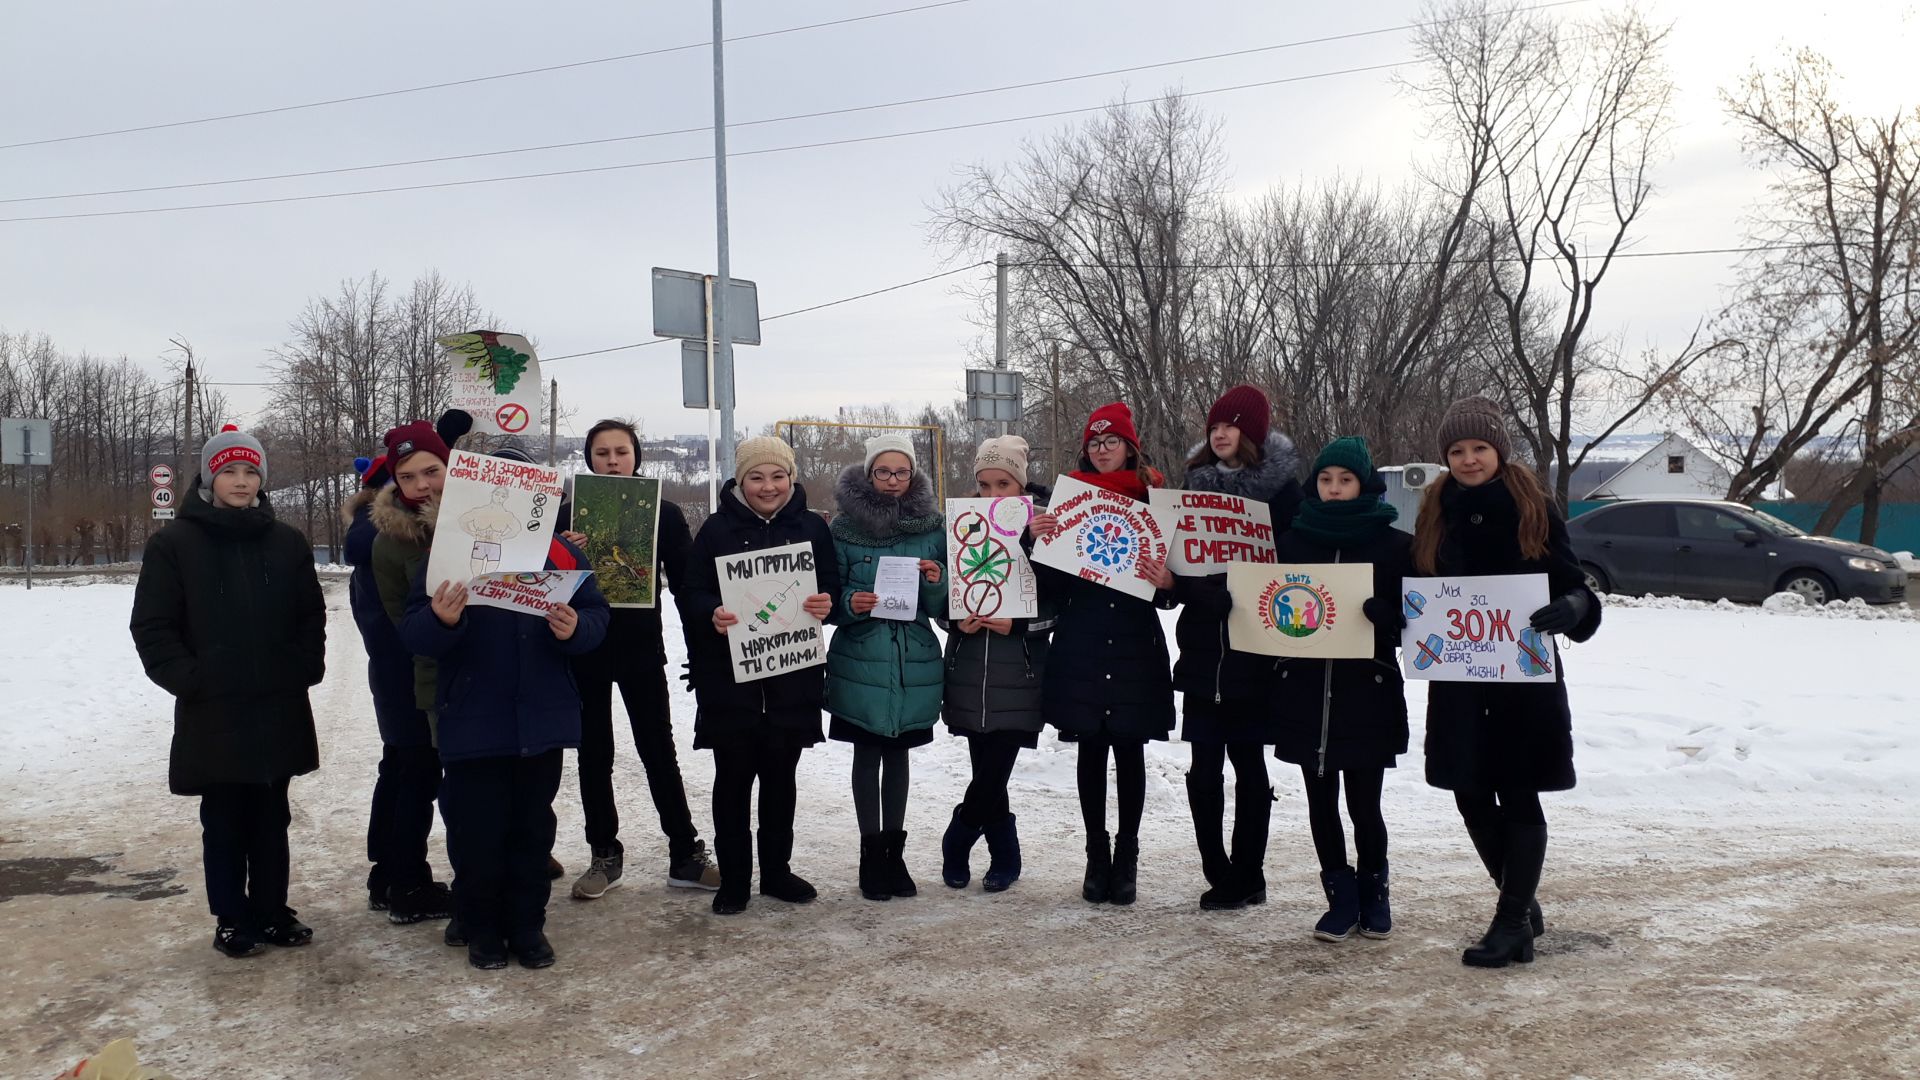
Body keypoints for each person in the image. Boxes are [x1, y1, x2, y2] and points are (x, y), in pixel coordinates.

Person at [401, 446, 610, 970]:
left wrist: (575, 630)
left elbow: (596, 614)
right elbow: (414, 633)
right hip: (473, 719)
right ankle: (482, 928)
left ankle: (528, 927)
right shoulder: (446, 553)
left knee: (531, 830)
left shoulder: (562, 554)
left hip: (541, 719)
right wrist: (443, 621)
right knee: (476, 832)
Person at [1414, 396, 1602, 968]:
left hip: (1524, 679)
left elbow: (1576, 583)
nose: (1469, 460)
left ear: (1498, 450)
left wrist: (1573, 607)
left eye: (1479, 448)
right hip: (1458, 679)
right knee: (1469, 791)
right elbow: (1416, 584)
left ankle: (1512, 921)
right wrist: (1394, 609)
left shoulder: (1533, 507)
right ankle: (1518, 900)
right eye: (1457, 451)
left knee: (1519, 791)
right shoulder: (1433, 511)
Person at [130, 425, 326, 958]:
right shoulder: (174, 544)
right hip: (213, 709)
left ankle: (271, 909)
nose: (241, 481)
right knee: (223, 819)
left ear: (261, 480)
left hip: (277, 704)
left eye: (250, 472)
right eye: (230, 471)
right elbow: (152, 627)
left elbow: (311, 614)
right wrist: (192, 679)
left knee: (271, 814)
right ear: (210, 477)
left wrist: (304, 666)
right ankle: (231, 916)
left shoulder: (286, 542)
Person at [557, 419, 719, 900]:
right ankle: (603, 853)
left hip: (640, 646)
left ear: (636, 457)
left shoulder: (664, 514)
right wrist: (565, 553)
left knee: (657, 748)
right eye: (602, 452)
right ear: (588, 458)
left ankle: (685, 853)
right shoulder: (566, 514)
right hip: (584, 646)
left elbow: (688, 586)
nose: (612, 461)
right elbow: (543, 583)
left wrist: (701, 649)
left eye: (621, 452)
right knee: (594, 752)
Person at [678, 437, 841, 915]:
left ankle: (776, 871)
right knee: (732, 782)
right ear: (740, 481)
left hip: (791, 680)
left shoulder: (811, 527)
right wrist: (711, 612)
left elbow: (829, 584)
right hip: (732, 681)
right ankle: (735, 879)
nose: (768, 486)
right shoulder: (716, 529)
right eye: (756, 476)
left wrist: (825, 603)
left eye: (777, 476)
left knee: (780, 781)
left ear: (791, 478)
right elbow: (691, 592)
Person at [1029, 402, 1176, 906]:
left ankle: (1127, 855)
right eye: (1095, 442)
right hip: (1083, 640)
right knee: (1090, 749)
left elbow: (1169, 590)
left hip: (1134, 640)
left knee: (1130, 749)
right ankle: (1097, 856)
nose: (1103, 449)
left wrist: (1167, 583)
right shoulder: (1068, 501)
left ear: (1130, 447)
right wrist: (1038, 543)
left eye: (1112, 441)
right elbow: (1049, 582)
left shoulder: (1157, 500)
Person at [1272, 436, 1412, 942]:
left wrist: (1391, 619)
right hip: (1305, 691)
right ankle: (1340, 896)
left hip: (1366, 692)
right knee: (1319, 801)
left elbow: (1420, 622)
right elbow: (1270, 607)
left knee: (1364, 803)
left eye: (1345, 480)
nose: (1334, 489)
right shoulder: (1292, 542)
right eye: (1326, 480)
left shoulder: (1395, 545)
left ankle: (1375, 892)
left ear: (1363, 485)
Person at [1170, 385, 1304, 911]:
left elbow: (1299, 572)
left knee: (1249, 764)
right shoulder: (1191, 491)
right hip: (1203, 648)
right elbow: (1176, 572)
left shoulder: (1285, 495)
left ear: (1253, 433)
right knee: (1204, 767)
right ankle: (1217, 869)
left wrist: (1246, 595)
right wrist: (1187, 590)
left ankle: (1249, 873)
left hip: (1257, 652)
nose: (1221, 433)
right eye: (1215, 425)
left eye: (1232, 425)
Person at [825, 434, 947, 902]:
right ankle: (870, 856)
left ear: (913, 475)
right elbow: (826, 599)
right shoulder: (843, 528)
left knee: (899, 757)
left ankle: (895, 855)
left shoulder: (932, 529)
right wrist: (850, 604)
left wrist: (935, 582)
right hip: (861, 660)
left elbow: (941, 608)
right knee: (866, 755)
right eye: (883, 472)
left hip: (911, 657)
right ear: (869, 473)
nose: (893, 480)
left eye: (901, 472)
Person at [937, 435, 1054, 893]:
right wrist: (953, 618)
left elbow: (1060, 602)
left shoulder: (1043, 527)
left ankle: (962, 833)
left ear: (1020, 484)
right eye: (983, 485)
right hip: (969, 669)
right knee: (983, 765)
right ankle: (1004, 854)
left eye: (1002, 484)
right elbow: (945, 594)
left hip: (1020, 667)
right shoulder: (963, 524)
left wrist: (1022, 626)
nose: (991, 496)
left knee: (996, 765)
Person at [343, 452, 453, 925]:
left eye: (432, 473)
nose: (423, 486)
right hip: (408, 673)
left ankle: (387, 875)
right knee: (417, 774)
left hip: (396, 672)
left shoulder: (379, 533)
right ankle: (407, 883)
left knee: (400, 771)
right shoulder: (386, 537)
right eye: (407, 478)